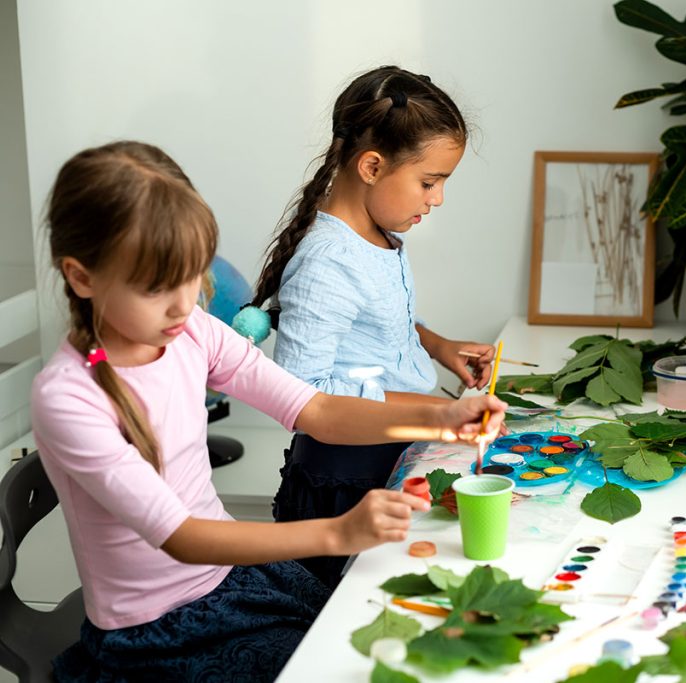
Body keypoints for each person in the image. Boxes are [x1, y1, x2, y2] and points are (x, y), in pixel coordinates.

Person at [30, 140, 505, 683]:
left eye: (193, 276)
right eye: (157, 287)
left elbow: (315, 408)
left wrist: (440, 418)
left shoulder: (191, 331)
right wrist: (337, 533)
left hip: (229, 579)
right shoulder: (69, 397)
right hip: (155, 631)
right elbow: (182, 536)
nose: (184, 303)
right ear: (82, 276)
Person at [246, 66, 495, 587]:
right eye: (429, 182)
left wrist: (437, 345)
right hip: (345, 483)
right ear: (373, 166)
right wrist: (438, 410)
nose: (437, 199)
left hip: (388, 455)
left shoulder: (375, 237)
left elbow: (379, 321)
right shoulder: (326, 262)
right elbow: (304, 398)